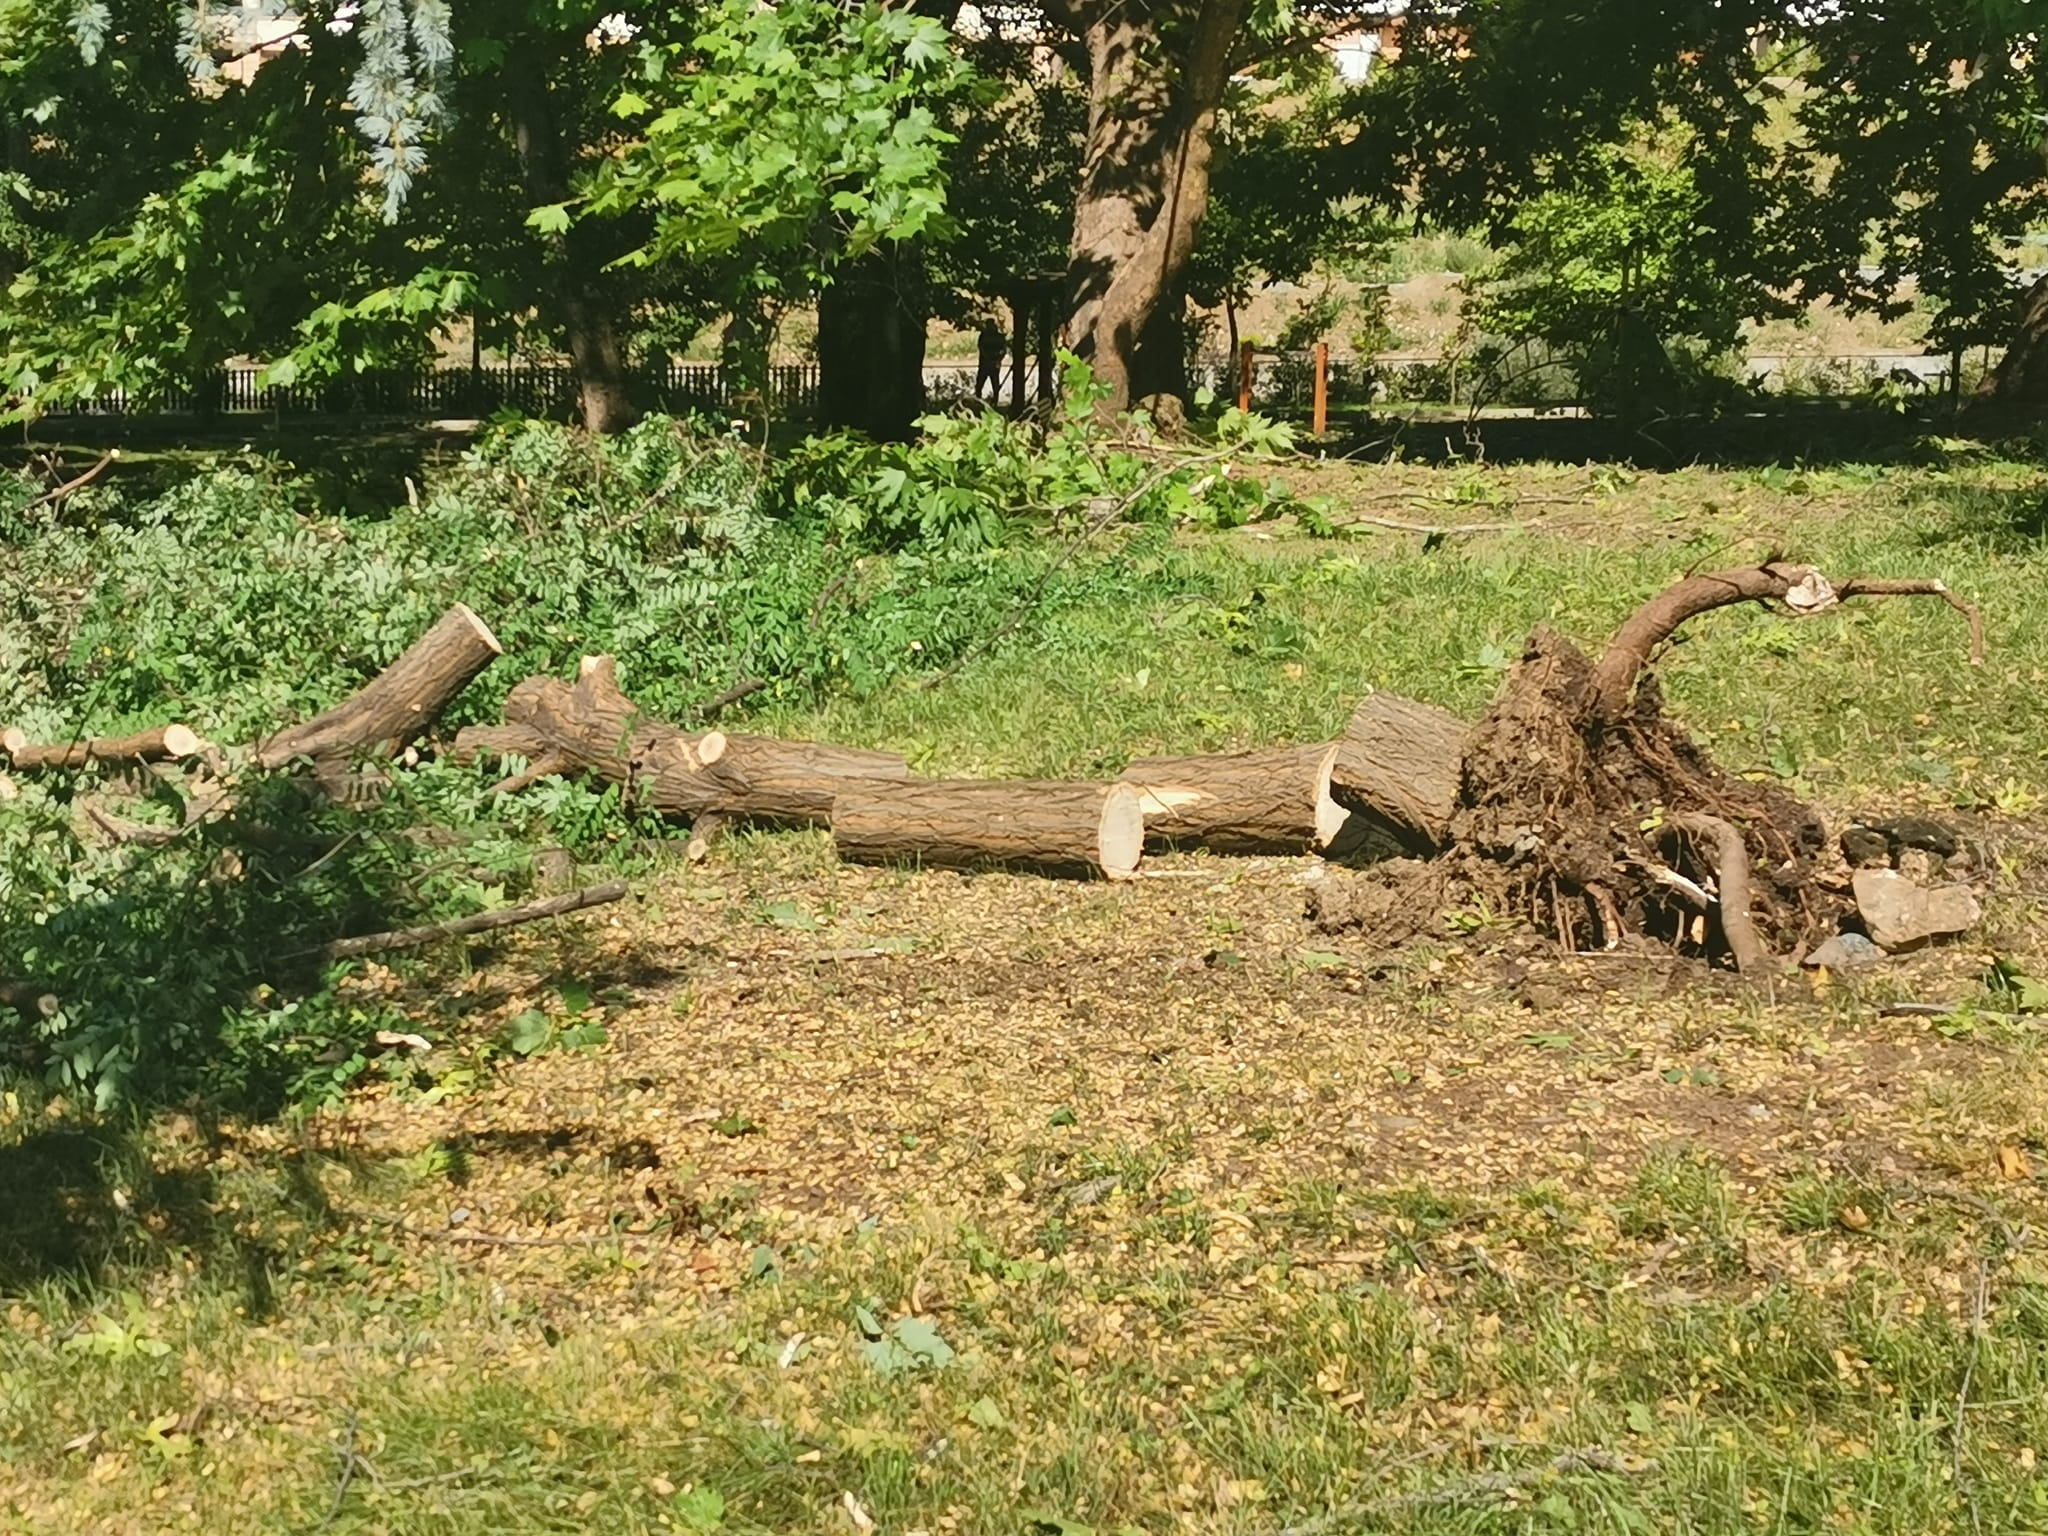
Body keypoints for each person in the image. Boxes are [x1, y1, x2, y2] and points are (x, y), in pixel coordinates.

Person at [976, 317, 1007, 402]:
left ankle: (991, 402)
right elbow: (1004, 350)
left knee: (992, 385)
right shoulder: (986, 336)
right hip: (990, 364)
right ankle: (981, 401)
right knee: (984, 385)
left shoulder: (985, 336)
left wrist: (996, 359)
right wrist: (998, 359)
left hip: (988, 364)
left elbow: (1003, 350)